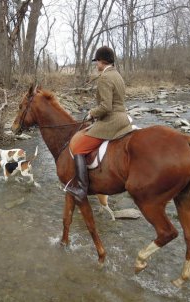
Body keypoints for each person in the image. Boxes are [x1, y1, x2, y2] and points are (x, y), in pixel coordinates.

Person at [65, 46, 133, 201]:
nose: (96, 65)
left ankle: (82, 189)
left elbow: (105, 107)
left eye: (97, 62)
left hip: (111, 121)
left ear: (102, 61)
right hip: (123, 117)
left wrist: (91, 113)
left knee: (78, 147)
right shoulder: (117, 75)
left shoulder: (105, 77)